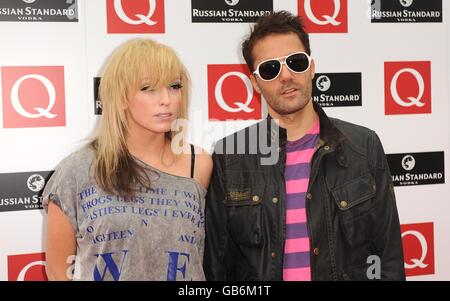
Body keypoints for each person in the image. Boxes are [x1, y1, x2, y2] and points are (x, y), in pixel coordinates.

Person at [204, 11, 405, 281]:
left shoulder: (363, 146)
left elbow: (388, 257)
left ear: (311, 67)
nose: (285, 76)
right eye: (270, 68)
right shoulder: (230, 157)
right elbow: (217, 265)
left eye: (296, 62)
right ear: (255, 82)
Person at [43, 38, 212, 281]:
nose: (166, 99)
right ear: (121, 97)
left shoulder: (199, 163)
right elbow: (59, 272)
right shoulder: (76, 171)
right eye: (148, 88)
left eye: (174, 86)